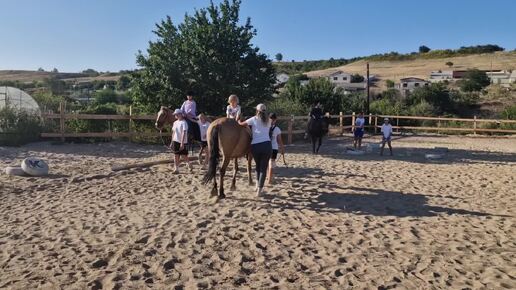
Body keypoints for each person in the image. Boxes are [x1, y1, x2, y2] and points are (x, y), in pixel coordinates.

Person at [239, 103, 272, 196]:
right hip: (266, 145)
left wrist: (238, 120)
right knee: (263, 168)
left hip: (255, 145)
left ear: (257, 110)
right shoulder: (269, 120)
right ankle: (260, 190)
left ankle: (257, 185)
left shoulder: (253, 119)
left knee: (257, 166)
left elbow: (242, 124)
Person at [170, 109, 191, 173]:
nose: (175, 115)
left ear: (180, 114)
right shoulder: (175, 123)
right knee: (175, 155)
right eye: (175, 114)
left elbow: (184, 133)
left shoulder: (184, 122)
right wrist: (171, 141)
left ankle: (189, 164)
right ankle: (176, 169)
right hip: (175, 140)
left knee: (184, 155)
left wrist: (182, 143)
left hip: (183, 141)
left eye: (176, 114)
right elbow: (173, 132)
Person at [267, 113, 285, 185]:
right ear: (275, 120)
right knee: (272, 163)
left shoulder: (265, 127)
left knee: (266, 163)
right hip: (274, 148)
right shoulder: (277, 129)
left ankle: (268, 177)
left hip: (266, 147)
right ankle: (270, 180)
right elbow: (279, 140)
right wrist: (282, 148)